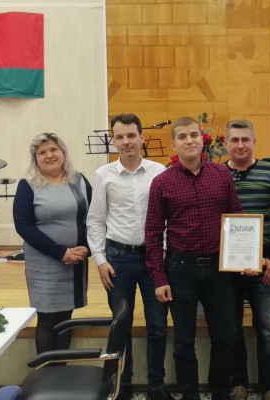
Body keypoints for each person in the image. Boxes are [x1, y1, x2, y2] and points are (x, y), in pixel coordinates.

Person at [145, 116, 243, 400]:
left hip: (219, 270)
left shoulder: (222, 175)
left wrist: (244, 256)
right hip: (180, 270)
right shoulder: (161, 182)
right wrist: (159, 278)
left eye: (194, 135)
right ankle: (190, 395)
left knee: (225, 338)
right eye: (182, 137)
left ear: (203, 140)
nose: (189, 140)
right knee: (184, 342)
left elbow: (236, 217)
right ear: (173, 144)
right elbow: (152, 232)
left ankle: (220, 393)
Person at [86, 114, 172, 400]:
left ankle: (156, 387)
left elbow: (168, 216)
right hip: (118, 259)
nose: (126, 141)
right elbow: (95, 221)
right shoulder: (103, 174)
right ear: (114, 140)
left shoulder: (159, 171)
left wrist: (163, 247)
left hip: (153, 259)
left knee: (157, 326)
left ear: (141, 137)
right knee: (121, 326)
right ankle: (123, 385)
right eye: (120, 136)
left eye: (131, 135)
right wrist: (100, 260)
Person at [223, 120, 270, 400]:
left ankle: (269, 386)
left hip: (265, 266)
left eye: (245, 140)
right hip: (227, 267)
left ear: (254, 141)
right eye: (235, 140)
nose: (240, 145)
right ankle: (238, 382)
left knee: (268, 329)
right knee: (231, 328)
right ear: (226, 143)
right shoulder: (218, 174)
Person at [13, 132, 92, 354]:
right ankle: (47, 371)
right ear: (35, 158)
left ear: (63, 152)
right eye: (42, 152)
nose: (49, 155)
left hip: (75, 263)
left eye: (53, 149)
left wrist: (87, 247)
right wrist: (60, 252)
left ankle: (61, 369)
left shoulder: (79, 181)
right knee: (47, 319)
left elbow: (95, 217)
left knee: (66, 317)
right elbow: (23, 226)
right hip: (45, 265)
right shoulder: (28, 185)